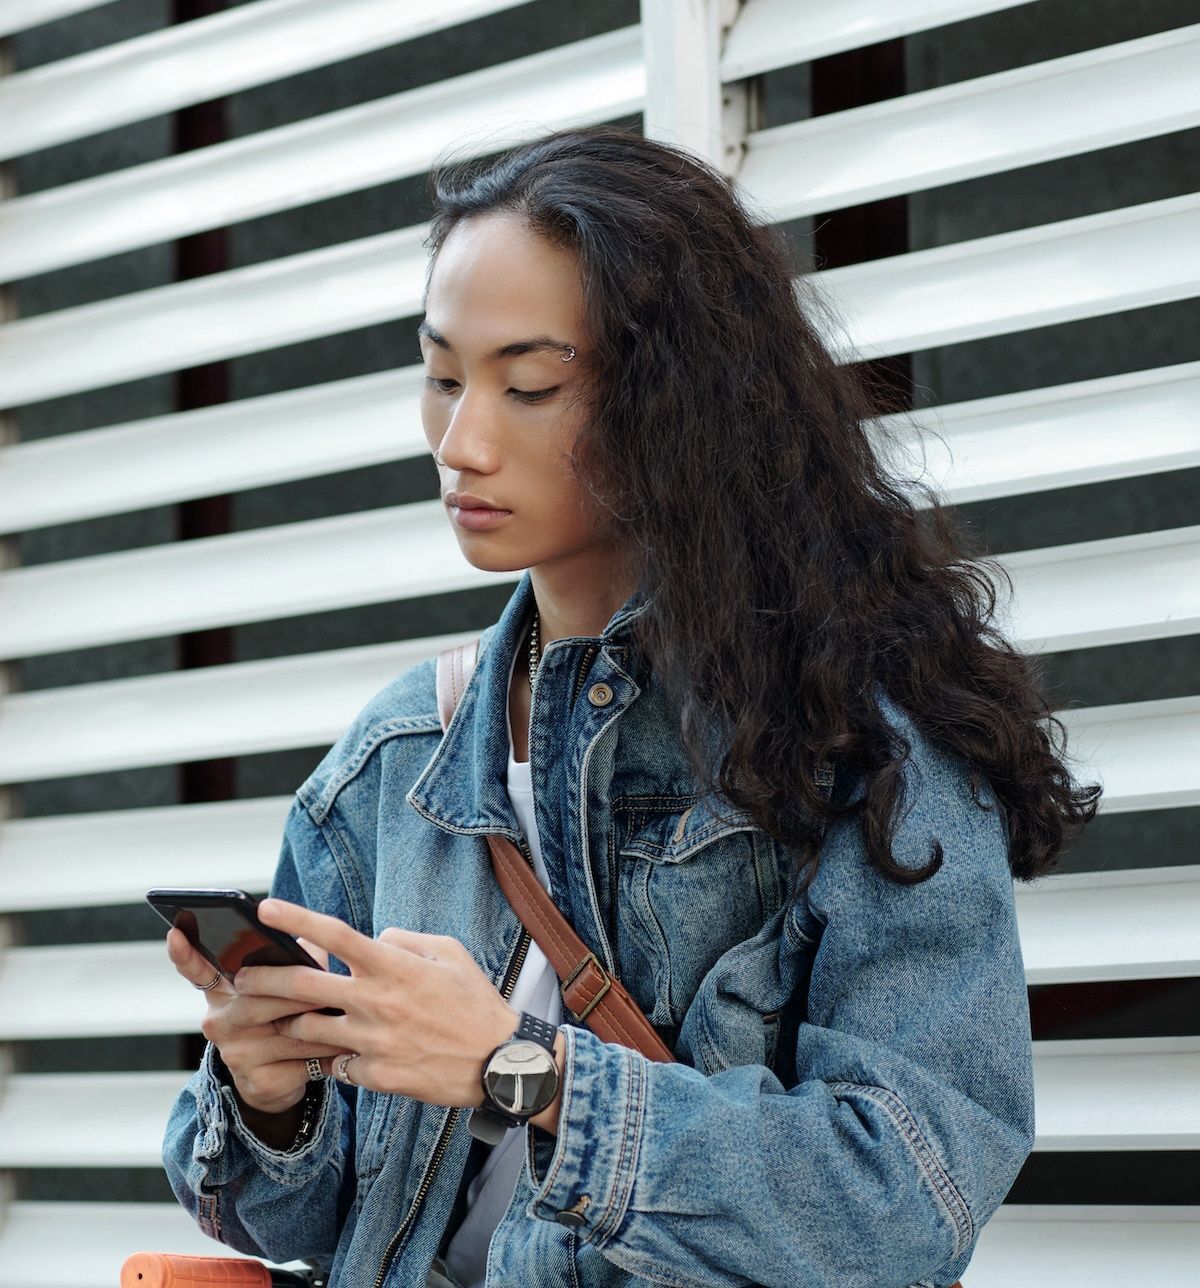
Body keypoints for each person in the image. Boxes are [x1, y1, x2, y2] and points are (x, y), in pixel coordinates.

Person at [161, 123, 1100, 1288]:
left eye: (531, 383)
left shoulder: (856, 743)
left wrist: (524, 1072)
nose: (462, 441)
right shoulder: (399, 758)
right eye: (443, 374)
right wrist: (270, 1093)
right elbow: (297, 1220)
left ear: (676, 399)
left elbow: (909, 1196)